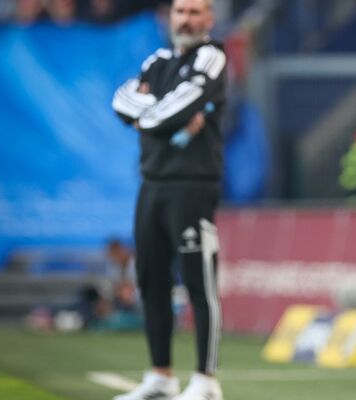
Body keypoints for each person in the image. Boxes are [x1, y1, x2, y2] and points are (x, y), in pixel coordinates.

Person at [111, 0, 226, 399]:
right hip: (152, 183)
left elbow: (174, 106)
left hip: (192, 185)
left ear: (209, 18)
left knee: (199, 281)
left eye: (196, 12)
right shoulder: (156, 61)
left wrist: (147, 113)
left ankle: (206, 381)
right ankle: (161, 376)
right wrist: (160, 111)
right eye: (181, 11)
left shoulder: (212, 57)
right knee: (151, 280)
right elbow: (120, 100)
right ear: (170, 16)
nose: (187, 19)